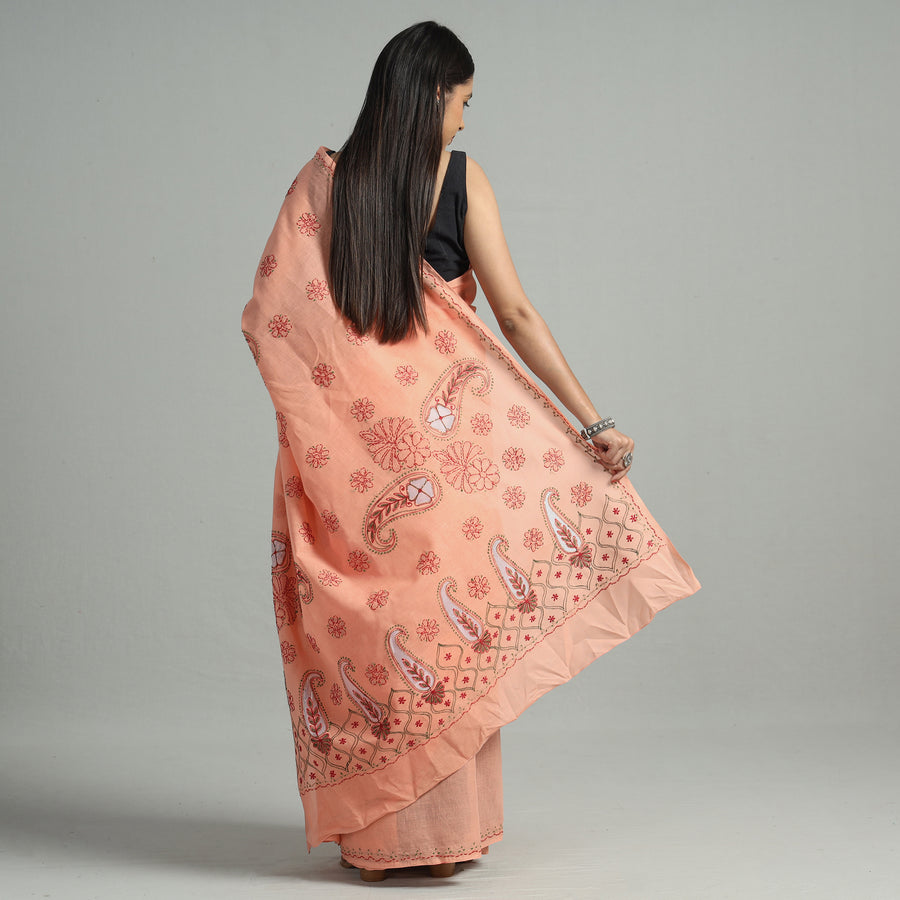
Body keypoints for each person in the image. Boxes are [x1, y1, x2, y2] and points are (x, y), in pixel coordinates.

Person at [241, 21, 699, 883]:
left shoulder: (321, 188)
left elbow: (274, 320)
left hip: (353, 466)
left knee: (378, 632)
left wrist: (325, 435)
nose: (464, 121)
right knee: (445, 632)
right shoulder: (458, 180)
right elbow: (515, 314)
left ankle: (379, 847)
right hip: (448, 464)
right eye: (463, 102)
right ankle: (446, 837)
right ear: (431, 96)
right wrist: (592, 423)